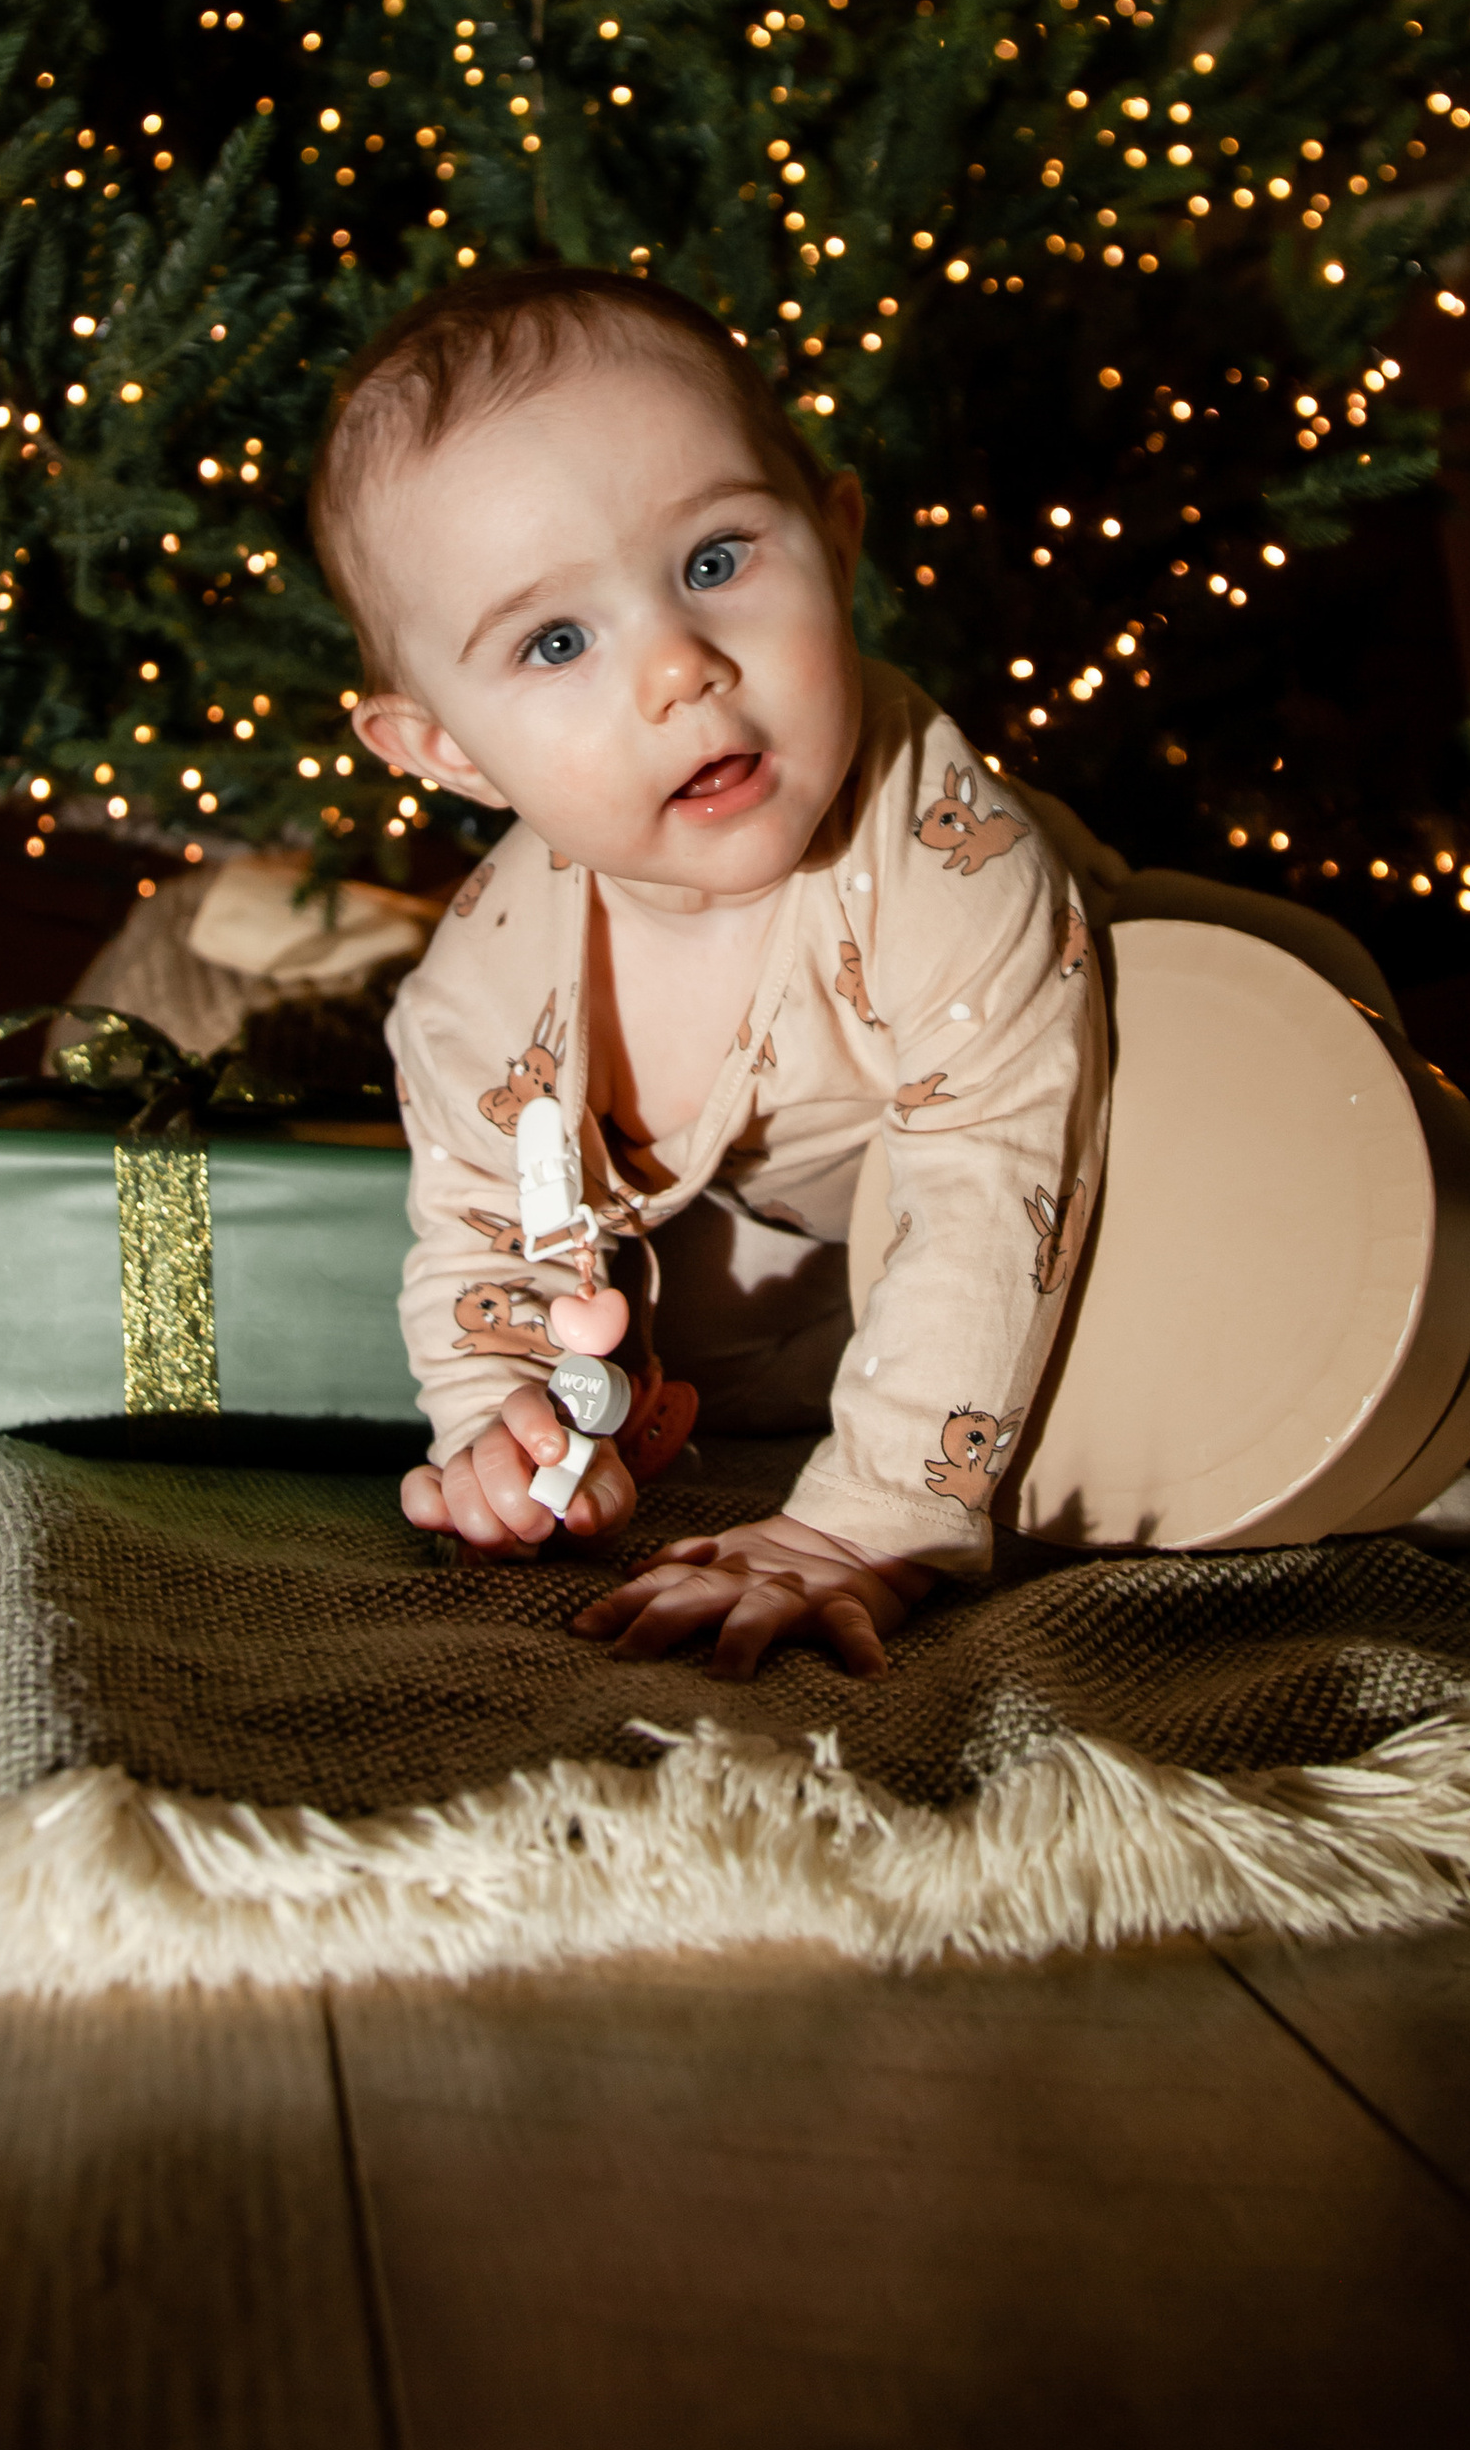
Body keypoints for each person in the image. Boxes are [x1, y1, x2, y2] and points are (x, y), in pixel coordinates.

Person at [312, 262, 1107, 1682]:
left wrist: (864, 1523)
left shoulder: (932, 851)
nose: (679, 666)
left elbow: (997, 1181)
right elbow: (487, 1239)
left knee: (1195, 1325)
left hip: (1135, 1115)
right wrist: (505, 1425)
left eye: (717, 561)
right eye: (556, 641)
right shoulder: (478, 1000)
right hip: (846, 1239)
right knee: (706, 1341)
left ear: (838, 538)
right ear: (443, 750)